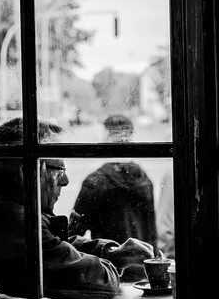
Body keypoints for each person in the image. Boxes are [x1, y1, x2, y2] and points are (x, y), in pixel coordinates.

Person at [0, 117, 153, 299]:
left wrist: (109, 251)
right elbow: (96, 281)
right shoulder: (10, 218)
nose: (66, 180)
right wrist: (114, 263)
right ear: (28, 170)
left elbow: (51, 243)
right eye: (59, 169)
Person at [67, 115, 157, 274]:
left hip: (112, 269)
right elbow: (152, 233)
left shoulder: (95, 182)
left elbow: (72, 236)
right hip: (144, 268)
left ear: (107, 137)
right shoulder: (144, 180)